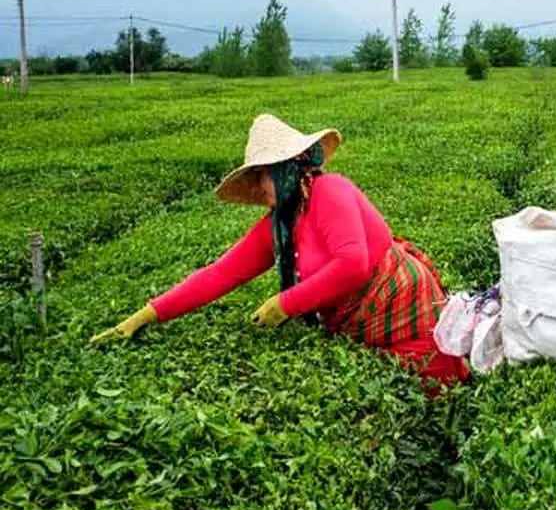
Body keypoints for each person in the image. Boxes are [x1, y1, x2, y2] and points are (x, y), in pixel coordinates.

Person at [91, 113, 469, 392]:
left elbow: (352, 265)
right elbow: (222, 273)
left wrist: (285, 304)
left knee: (435, 411)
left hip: (411, 327)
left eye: (262, 174)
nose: (258, 185)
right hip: (365, 333)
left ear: (288, 169)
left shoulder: (331, 192)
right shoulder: (282, 224)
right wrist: (148, 313)